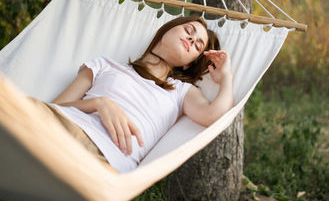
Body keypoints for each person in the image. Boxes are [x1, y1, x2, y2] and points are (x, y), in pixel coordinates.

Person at [46, 15, 234, 173]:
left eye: (198, 46)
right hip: (60, 130)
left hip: (103, 161)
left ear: (188, 64)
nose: (192, 40)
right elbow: (52, 109)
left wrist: (225, 76)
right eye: (188, 31)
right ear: (167, 30)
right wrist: (99, 104)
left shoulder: (180, 92)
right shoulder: (104, 65)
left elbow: (214, 115)